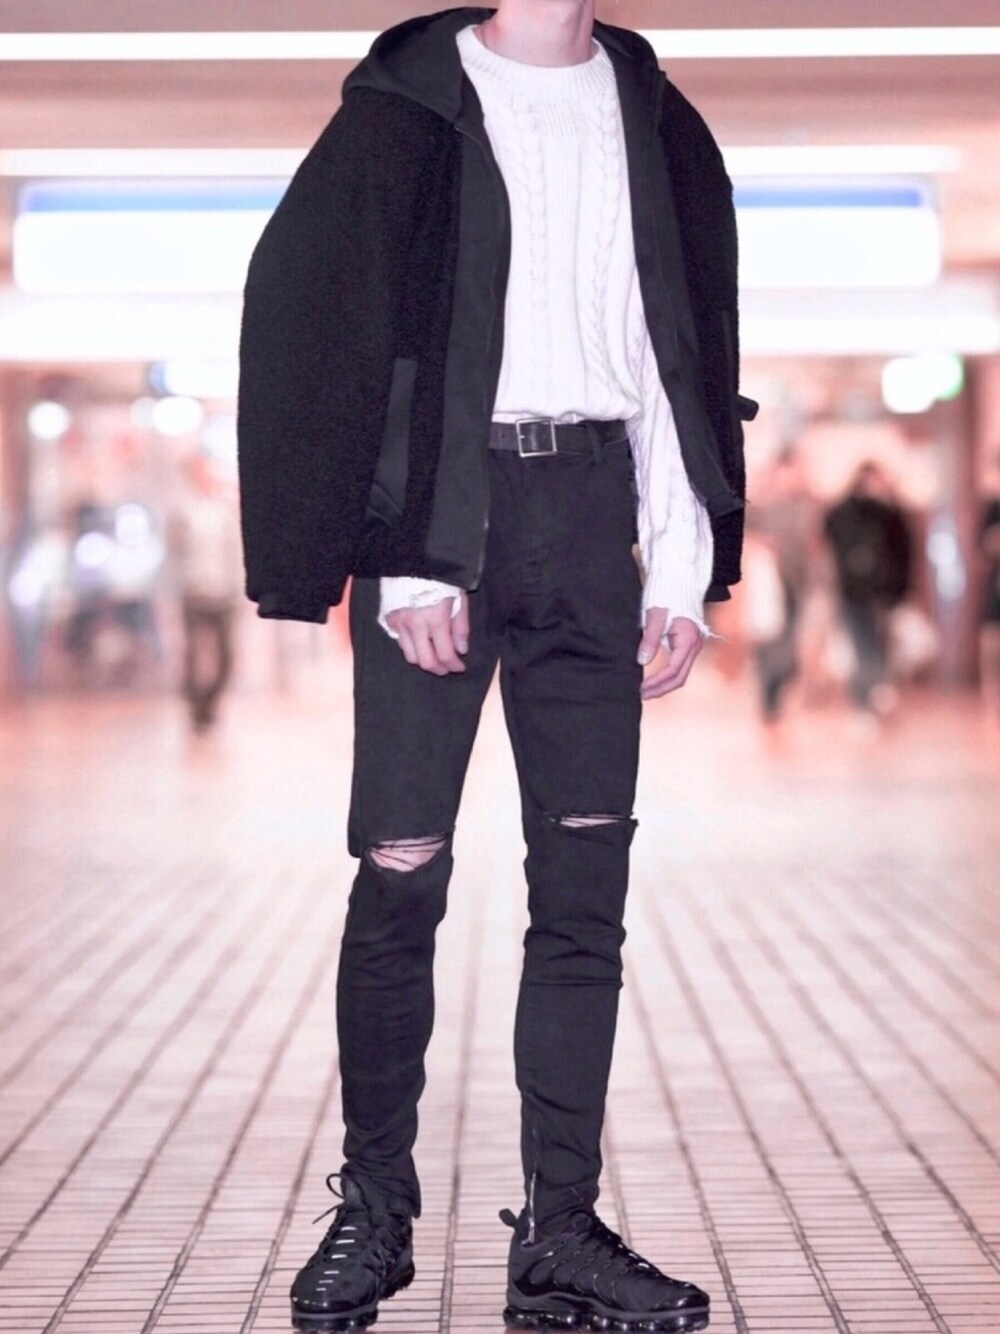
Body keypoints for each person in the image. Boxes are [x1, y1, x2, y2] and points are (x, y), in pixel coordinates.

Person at [237, 3, 755, 1330]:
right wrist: (407, 555)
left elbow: (678, 338)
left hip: (589, 519)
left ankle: (561, 1230)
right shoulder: (406, 106)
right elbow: (333, 320)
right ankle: (375, 1210)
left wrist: (683, 556)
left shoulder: (653, 115)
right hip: (441, 526)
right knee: (400, 866)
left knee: (585, 883)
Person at [823, 461, 913, 715]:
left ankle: (875, 692)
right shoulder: (843, 513)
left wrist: (901, 589)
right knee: (863, 646)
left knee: (882, 645)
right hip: (853, 591)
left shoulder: (891, 515)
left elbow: (904, 553)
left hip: (886, 592)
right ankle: (866, 699)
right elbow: (832, 544)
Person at [168, 454, 243, 731]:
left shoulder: (224, 511)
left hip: (222, 592)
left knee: (226, 655)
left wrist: (239, 589)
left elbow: (234, 553)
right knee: (192, 653)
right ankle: (195, 707)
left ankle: (209, 702)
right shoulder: (183, 511)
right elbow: (174, 554)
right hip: (193, 591)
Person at [979, 452, 1000, 719]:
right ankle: (992, 696)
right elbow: (985, 544)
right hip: (997, 585)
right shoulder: (994, 508)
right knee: (992, 639)